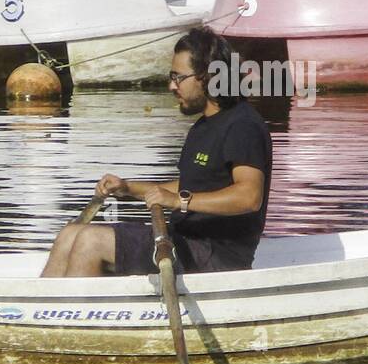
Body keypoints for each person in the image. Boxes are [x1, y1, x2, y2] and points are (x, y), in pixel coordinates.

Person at [40, 27, 272, 278]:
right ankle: (39, 313)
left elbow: (249, 196)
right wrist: (128, 188)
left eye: (179, 77)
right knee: (70, 234)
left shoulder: (243, 125)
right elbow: (192, 184)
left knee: (91, 241)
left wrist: (177, 201)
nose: (171, 85)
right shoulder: (203, 126)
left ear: (207, 77)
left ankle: (71, 314)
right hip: (180, 241)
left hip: (214, 256)